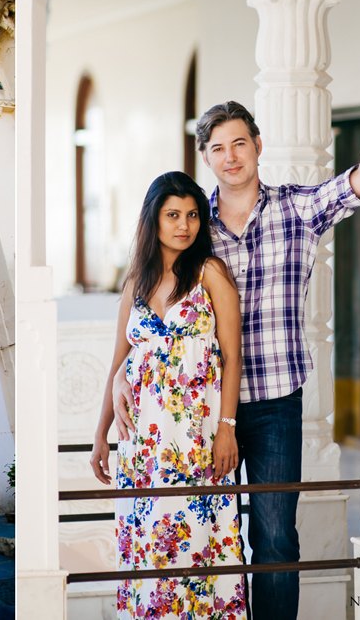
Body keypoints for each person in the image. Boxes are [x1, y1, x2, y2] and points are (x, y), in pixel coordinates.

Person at [98, 101, 360, 619]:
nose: (230, 157)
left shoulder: (295, 208)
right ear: (206, 157)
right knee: (203, 534)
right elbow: (148, 312)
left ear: (257, 146)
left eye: (239, 144)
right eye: (218, 148)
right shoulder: (190, 223)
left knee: (274, 536)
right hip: (197, 418)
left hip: (273, 403)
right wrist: (121, 372)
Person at [91, 172, 247, 618]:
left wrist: (226, 429)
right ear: (153, 220)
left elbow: (232, 358)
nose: (184, 225)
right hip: (142, 447)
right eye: (173, 215)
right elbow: (118, 362)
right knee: (149, 548)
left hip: (195, 440)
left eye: (193, 215)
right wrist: (101, 435)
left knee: (199, 545)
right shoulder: (135, 282)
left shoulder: (209, 273)